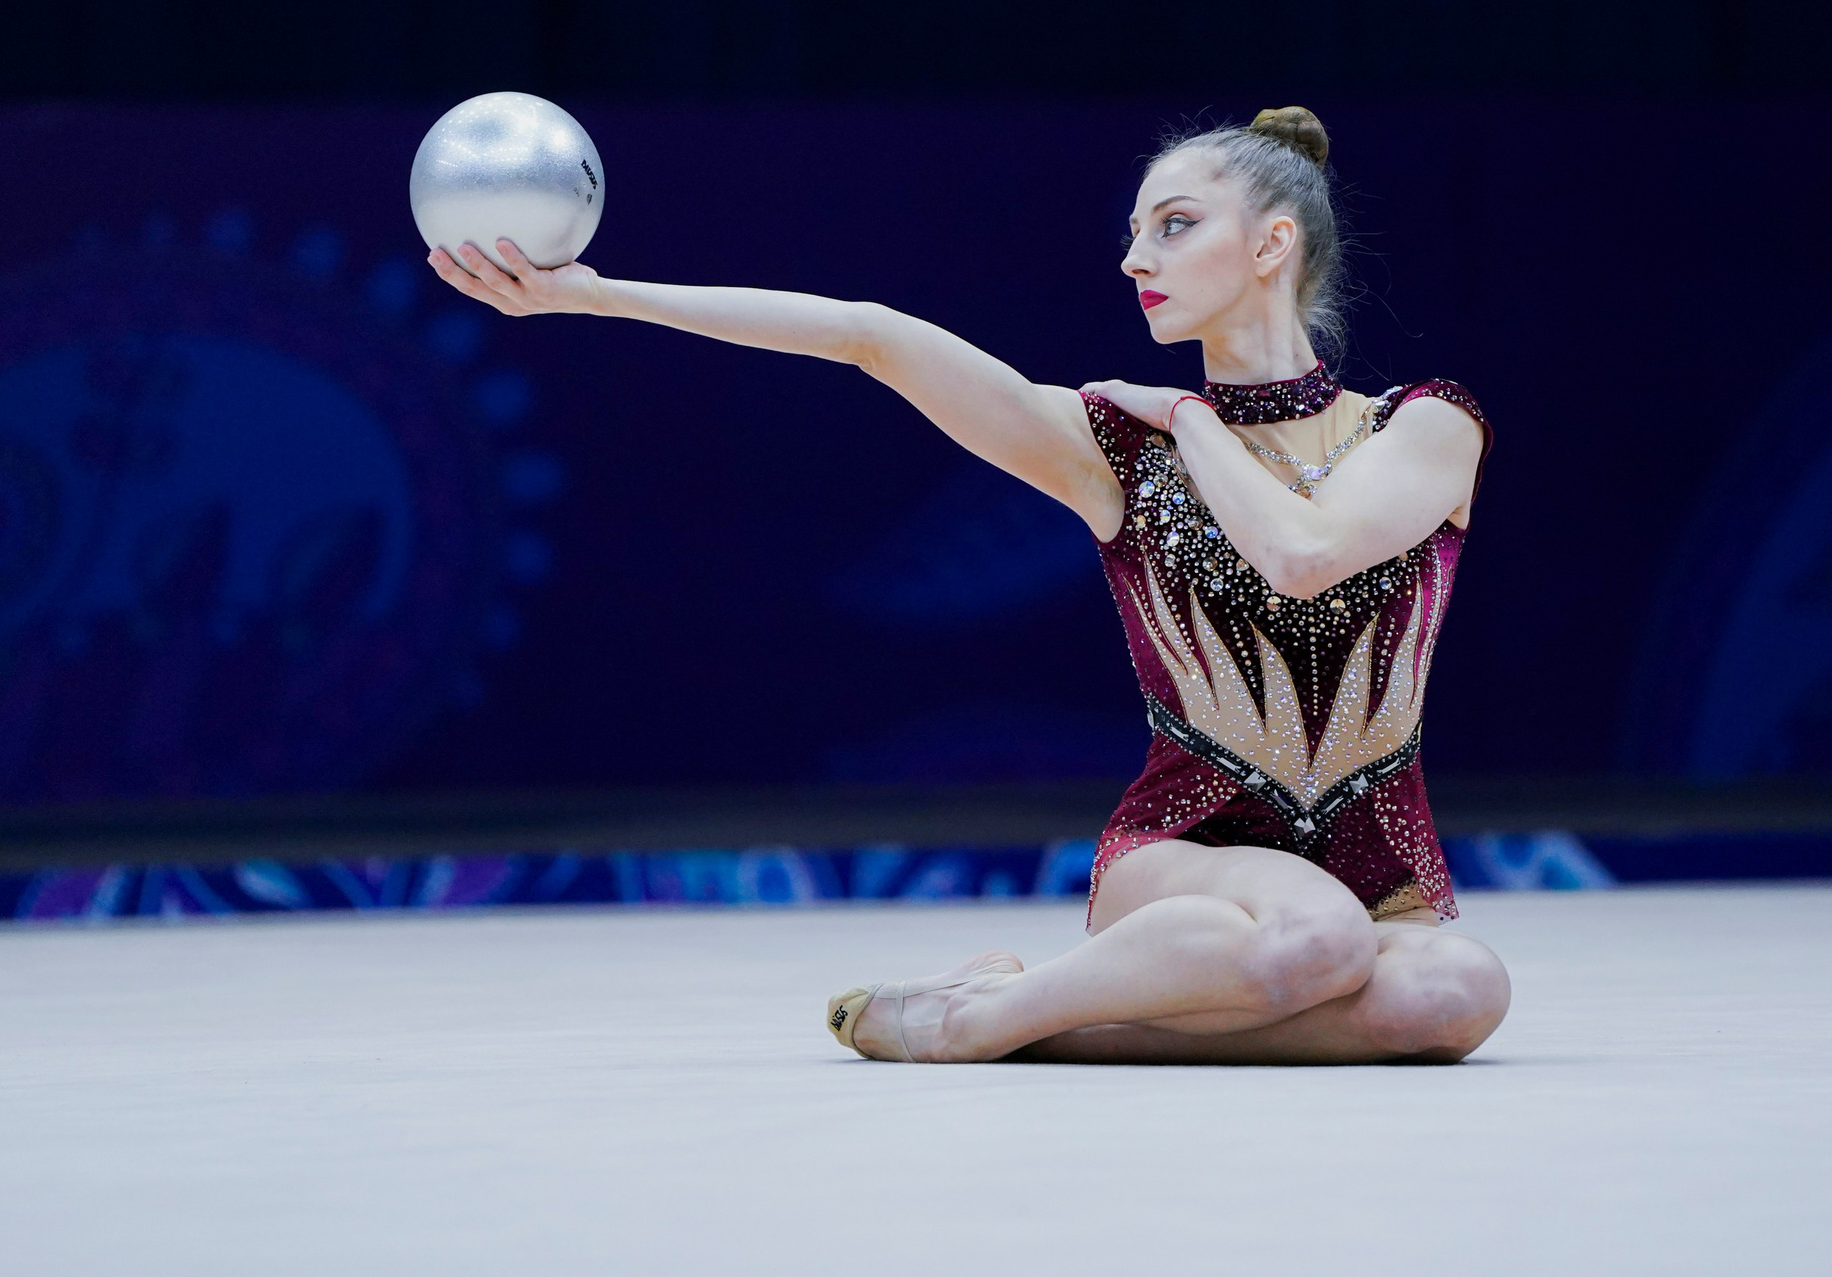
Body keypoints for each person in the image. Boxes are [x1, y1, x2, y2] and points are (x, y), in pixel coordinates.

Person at [429, 106, 1510, 1064]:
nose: (1137, 255)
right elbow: (868, 338)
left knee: (1458, 993)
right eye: (1134, 230)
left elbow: (1304, 549)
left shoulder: (1420, 424)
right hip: (1187, 858)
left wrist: (1187, 416)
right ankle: (971, 1025)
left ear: (1273, 243)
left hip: (1374, 861)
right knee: (1314, 941)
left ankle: (1033, 1012)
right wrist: (598, 297)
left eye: (1173, 225)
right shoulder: (1108, 452)